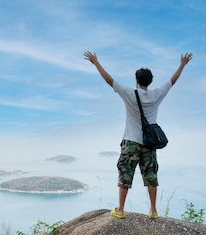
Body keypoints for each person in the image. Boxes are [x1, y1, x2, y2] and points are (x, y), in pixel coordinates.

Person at [83, 51, 193, 219]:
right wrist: (182, 64)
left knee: (125, 174)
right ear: (150, 81)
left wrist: (96, 63)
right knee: (151, 175)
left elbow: (108, 80)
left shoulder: (129, 93)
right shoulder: (157, 94)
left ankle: (120, 210)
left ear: (136, 80)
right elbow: (172, 81)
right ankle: (153, 211)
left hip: (131, 142)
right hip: (149, 143)